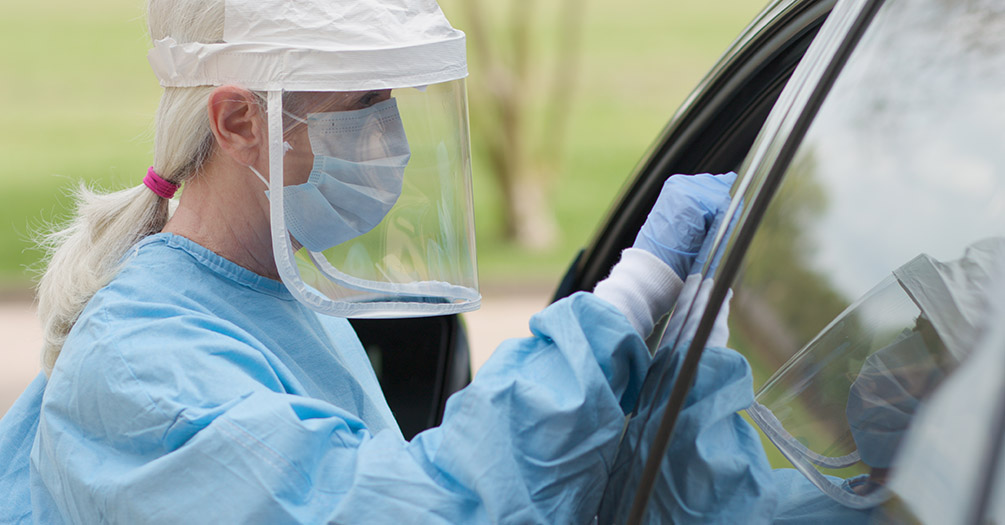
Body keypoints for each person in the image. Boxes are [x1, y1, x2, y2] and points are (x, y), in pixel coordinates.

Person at [0, 0, 736, 522]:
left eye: (394, 98)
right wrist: (627, 300)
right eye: (364, 101)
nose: (391, 139)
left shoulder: (281, 295)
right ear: (238, 121)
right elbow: (423, 508)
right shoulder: (143, 372)